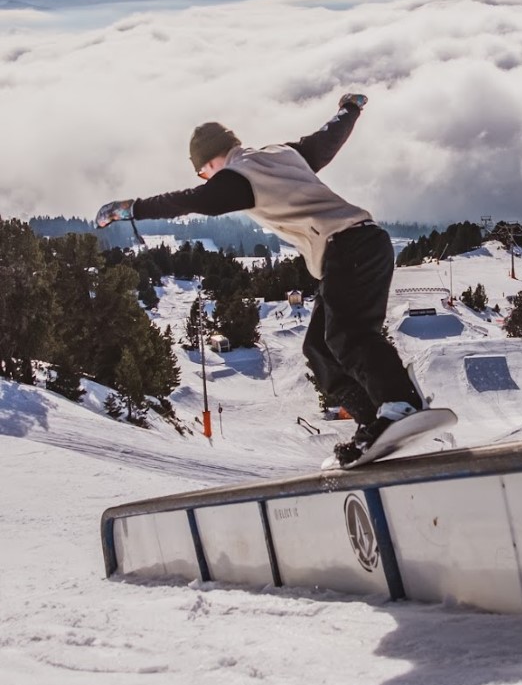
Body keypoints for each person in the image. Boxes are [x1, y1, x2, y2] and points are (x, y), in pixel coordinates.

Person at [95, 93, 424, 467]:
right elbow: (326, 140)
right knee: (319, 348)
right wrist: (349, 110)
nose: (207, 179)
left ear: (211, 160)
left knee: (347, 336)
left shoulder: (237, 177)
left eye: (203, 172)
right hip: (361, 245)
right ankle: (375, 422)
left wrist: (132, 208)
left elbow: (190, 201)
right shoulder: (282, 154)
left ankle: (400, 403)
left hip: (349, 246)